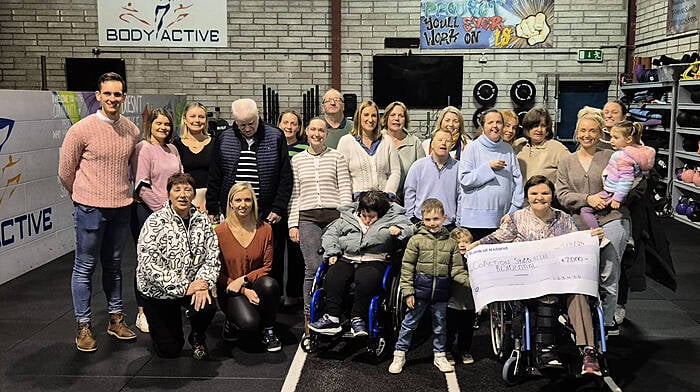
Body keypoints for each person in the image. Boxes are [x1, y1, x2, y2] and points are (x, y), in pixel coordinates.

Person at [469, 175, 605, 375]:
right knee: (546, 294)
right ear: (527, 196)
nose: (539, 197)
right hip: (528, 281)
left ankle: (588, 352)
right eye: (534, 193)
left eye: (545, 193)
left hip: (560, 278)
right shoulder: (517, 219)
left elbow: (579, 242)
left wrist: (593, 237)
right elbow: (498, 238)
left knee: (581, 294)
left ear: (552, 196)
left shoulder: (564, 219)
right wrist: (477, 245)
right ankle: (546, 350)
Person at [58, 72, 139, 352]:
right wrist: (82, 196)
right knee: (84, 267)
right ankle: (83, 325)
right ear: (98, 96)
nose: (113, 99)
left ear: (124, 98)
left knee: (114, 266)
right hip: (90, 208)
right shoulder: (80, 130)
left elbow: (128, 167)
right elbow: (66, 171)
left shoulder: (132, 130)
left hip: (121, 207)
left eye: (118, 94)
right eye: (108, 94)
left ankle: (115, 319)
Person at [556, 109, 632, 336]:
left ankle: (606, 322)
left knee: (609, 270)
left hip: (611, 217)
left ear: (601, 133)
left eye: (592, 130)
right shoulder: (567, 161)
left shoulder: (612, 157)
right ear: (576, 132)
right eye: (582, 130)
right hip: (579, 219)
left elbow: (630, 179)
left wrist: (609, 198)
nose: (586, 134)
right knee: (579, 271)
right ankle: (578, 318)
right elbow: (562, 193)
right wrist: (587, 199)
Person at [207, 98, 293, 290]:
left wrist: (279, 207)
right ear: (235, 121)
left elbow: (285, 177)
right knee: (233, 257)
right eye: (242, 125)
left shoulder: (275, 136)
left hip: (267, 210)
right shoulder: (224, 138)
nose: (247, 128)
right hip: (233, 210)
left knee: (271, 259)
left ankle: (271, 300)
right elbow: (215, 175)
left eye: (251, 123)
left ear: (258, 116)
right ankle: (235, 294)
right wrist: (212, 206)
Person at [135, 173, 220, 360]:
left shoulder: (202, 221)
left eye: (187, 190)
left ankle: (198, 336)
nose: (182, 195)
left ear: (193, 194)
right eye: (177, 190)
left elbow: (212, 256)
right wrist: (184, 287)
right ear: (169, 194)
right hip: (159, 293)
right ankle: (161, 326)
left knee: (207, 307)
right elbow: (149, 265)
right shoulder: (154, 222)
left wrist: (203, 282)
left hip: (192, 286)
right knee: (170, 350)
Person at [309, 190, 412, 337]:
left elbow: (411, 229)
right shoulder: (347, 217)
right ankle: (332, 317)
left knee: (365, 280)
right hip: (347, 256)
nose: (367, 220)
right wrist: (332, 252)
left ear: (381, 213)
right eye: (364, 215)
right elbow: (330, 234)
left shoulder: (394, 217)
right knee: (333, 275)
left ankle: (358, 319)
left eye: (372, 217)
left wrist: (400, 230)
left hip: (374, 258)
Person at [388, 199, 471, 375]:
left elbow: (456, 270)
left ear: (444, 218)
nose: (432, 223)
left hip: (441, 293)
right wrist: (408, 292)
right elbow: (407, 267)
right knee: (409, 324)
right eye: (427, 220)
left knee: (440, 325)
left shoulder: (450, 243)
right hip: (419, 292)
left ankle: (439, 355)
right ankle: (400, 354)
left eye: (436, 219)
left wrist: (473, 284)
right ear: (421, 219)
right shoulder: (415, 240)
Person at [287, 117, 353, 336]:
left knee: (335, 267)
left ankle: (333, 313)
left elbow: (345, 189)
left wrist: (345, 220)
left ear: (326, 134)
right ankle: (309, 316)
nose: (317, 133)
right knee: (312, 268)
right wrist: (293, 224)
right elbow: (295, 194)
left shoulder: (337, 157)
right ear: (306, 132)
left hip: (334, 218)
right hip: (308, 219)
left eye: (321, 130)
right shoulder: (297, 160)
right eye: (313, 129)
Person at [131, 107, 182, 333]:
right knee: (146, 263)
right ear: (150, 125)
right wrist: (164, 211)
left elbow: (180, 179)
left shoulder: (172, 149)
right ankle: (143, 311)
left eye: (167, 124)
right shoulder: (143, 148)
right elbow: (142, 186)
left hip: (172, 213)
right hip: (148, 213)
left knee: (170, 260)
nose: (163, 128)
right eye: (158, 123)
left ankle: (166, 306)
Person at [216, 182, 282, 352]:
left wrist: (244, 280)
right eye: (238, 200)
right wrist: (243, 290)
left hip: (256, 284)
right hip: (229, 289)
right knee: (250, 324)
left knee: (270, 284)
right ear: (230, 203)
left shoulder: (265, 229)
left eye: (247, 200)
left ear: (253, 202)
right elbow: (216, 271)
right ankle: (231, 321)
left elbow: (267, 267)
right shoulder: (219, 232)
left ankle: (269, 329)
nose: (243, 204)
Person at [580, 121, 655, 241]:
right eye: (611, 137)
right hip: (613, 191)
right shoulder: (636, 154)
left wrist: (617, 198)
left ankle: (597, 236)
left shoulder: (623, 157)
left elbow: (626, 179)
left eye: (615, 137)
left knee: (585, 210)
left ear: (629, 139)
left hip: (612, 192)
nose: (611, 141)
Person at [458, 109, 523, 239]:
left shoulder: (508, 150)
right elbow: (464, 179)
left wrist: (513, 209)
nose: (495, 126)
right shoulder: (472, 148)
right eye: (490, 122)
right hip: (475, 222)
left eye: (499, 122)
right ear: (483, 127)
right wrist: (488, 168)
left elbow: (518, 181)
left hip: (502, 219)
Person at [336, 100, 401, 199]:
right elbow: (342, 177)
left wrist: (388, 194)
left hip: (383, 199)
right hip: (358, 200)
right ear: (359, 117)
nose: (370, 119)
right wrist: (348, 202)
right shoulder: (346, 141)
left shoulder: (387, 140)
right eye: (366, 115)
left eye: (374, 116)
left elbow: (395, 171)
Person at [277, 109, 309, 306]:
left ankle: (295, 295)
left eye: (293, 123)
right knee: (277, 251)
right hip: (278, 206)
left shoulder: (305, 148)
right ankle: (277, 294)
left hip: (298, 204)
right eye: (285, 122)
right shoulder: (272, 146)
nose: (289, 127)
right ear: (279, 124)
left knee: (297, 252)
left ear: (299, 127)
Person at [403, 127, 460, 230]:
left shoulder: (459, 168)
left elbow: (461, 197)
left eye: (447, 141)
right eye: (440, 140)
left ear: (451, 145)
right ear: (432, 144)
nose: (443, 143)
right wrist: (410, 219)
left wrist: (458, 223)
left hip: (448, 225)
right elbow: (409, 193)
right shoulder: (418, 166)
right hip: (421, 223)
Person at [380, 101, 425, 202]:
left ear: (405, 120)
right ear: (386, 118)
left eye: (401, 116)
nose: (397, 119)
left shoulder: (415, 143)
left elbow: (422, 175)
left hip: (407, 199)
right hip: (380, 199)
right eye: (393, 115)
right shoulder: (377, 140)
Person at [173, 102, 213, 212]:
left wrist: (208, 201)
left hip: (208, 201)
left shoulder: (215, 143)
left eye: (201, 117)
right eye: (192, 116)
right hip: (184, 199)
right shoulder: (176, 145)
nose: (197, 120)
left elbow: (217, 176)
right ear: (185, 120)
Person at [445, 227, 476, 366]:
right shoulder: (449, 260)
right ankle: (447, 351)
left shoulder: (476, 259)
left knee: (467, 329)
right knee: (449, 329)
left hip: (469, 303)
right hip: (452, 302)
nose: (462, 244)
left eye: (466, 241)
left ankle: (464, 350)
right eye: (458, 242)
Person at [516, 107, 570, 184]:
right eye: (535, 126)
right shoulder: (519, 147)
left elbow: (571, 176)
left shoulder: (558, 149)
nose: (539, 130)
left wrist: (553, 191)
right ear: (528, 128)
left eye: (543, 126)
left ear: (547, 130)